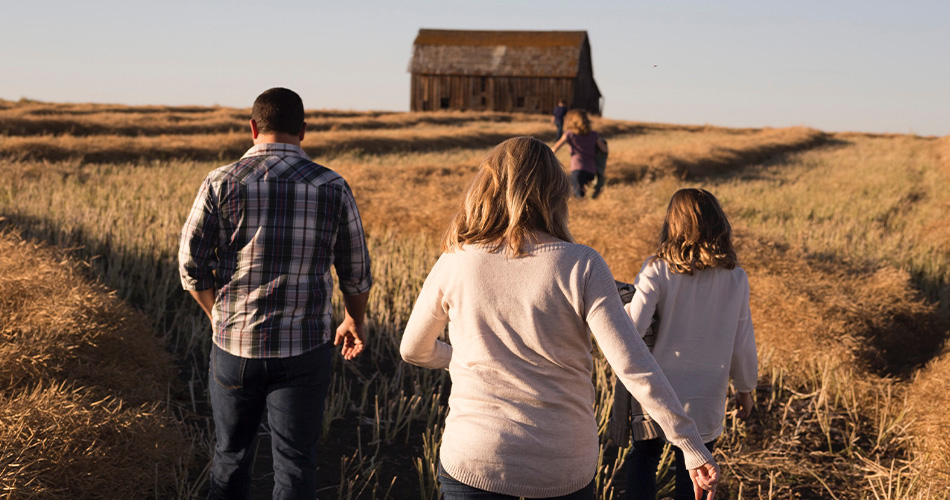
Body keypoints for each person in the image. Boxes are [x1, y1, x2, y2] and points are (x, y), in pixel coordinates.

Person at [399, 137, 719, 500]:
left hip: (476, 459)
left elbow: (413, 349)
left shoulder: (456, 259)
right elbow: (632, 365)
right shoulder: (582, 264)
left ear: (487, 186)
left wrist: (466, 359)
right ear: (555, 192)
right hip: (563, 465)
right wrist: (689, 443)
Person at [178, 87, 373, 500]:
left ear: (252, 128)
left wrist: (217, 315)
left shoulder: (220, 182)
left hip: (234, 348)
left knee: (230, 458)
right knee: (296, 463)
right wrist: (355, 318)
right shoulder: (332, 185)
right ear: (303, 131)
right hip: (304, 350)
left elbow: (190, 267)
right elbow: (355, 271)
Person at [622, 188, 758, 500]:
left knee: (643, 459)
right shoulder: (736, 278)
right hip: (707, 395)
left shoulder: (657, 268)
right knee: (695, 471)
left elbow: (633, 327)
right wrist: (745, 388)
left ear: (673, 225)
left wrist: (621, 303)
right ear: (719, 225)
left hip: (658, 391)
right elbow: (742, 340)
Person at [552, 109, 608, 198]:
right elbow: (604, 150)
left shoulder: (569, 134)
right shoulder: (593, 135)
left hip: (577, 169)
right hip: (591, 170)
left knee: (579, 197)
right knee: (588, 196)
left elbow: (554, 149)